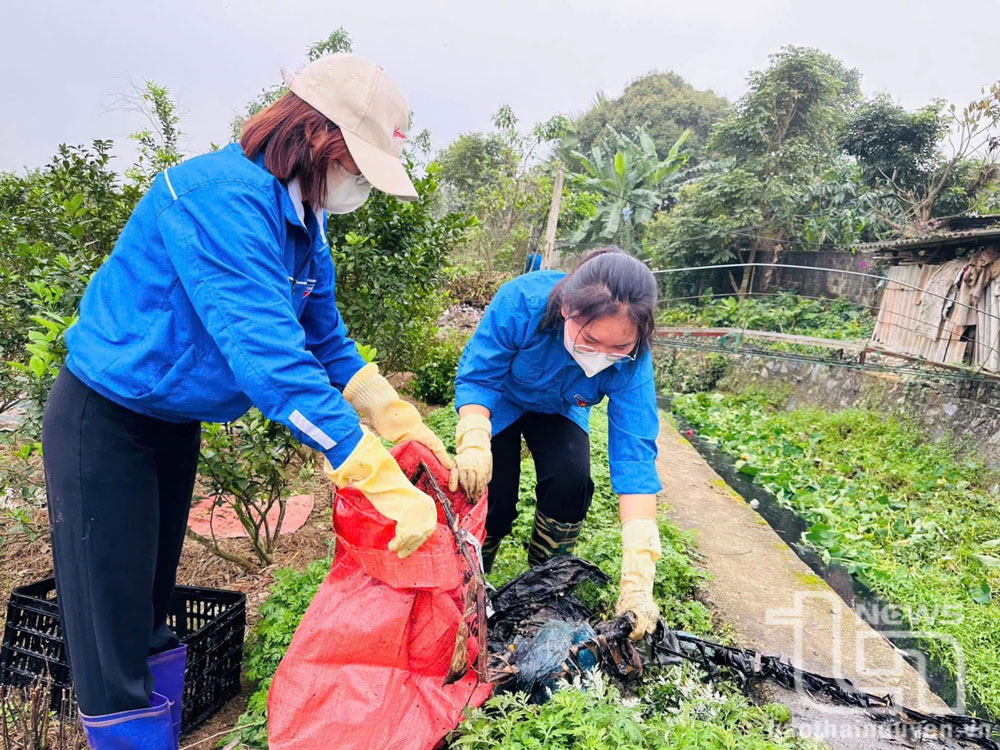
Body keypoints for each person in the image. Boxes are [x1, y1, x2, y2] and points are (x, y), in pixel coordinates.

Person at [42, 54, 451, 750]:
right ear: (321, 137)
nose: (357, 185)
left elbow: (324, 338)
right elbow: (269, 361)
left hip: (170, 426)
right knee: (111, 638)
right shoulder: (219, 201)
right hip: (103, 424)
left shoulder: (301, 217)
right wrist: (368, 469)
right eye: (359, 163)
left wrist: (395, 418)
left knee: (147, 614)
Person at [451, 246, 663, 640]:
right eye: (592, 340)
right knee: (492, 497)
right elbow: (479, 378)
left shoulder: (636, 360)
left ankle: (542, 583)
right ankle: (472, 579)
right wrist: (475, 440)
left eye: (619, 349)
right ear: (567, 309)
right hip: (503, 400)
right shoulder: (521, 302)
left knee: (572, 481)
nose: (602, 356)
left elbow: (635, 456)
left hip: (562, 407)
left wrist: (639, 573)